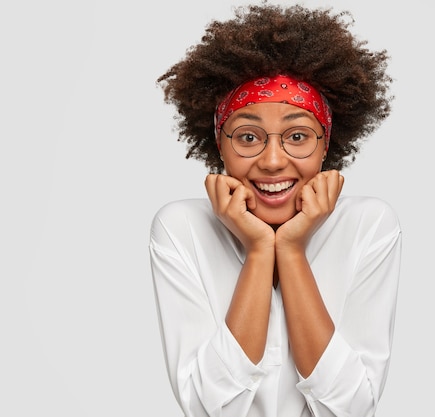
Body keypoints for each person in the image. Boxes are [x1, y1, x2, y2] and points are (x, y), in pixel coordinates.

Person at [149, 3, 401, 416]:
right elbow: (210, 408)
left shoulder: (369, 225)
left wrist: (293, 250)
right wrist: (261, 250)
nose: (271, 161)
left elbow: (351, 409)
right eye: (247, 137)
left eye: (298, 136)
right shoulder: (181, 228)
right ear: (219, 145)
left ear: (326, 145)